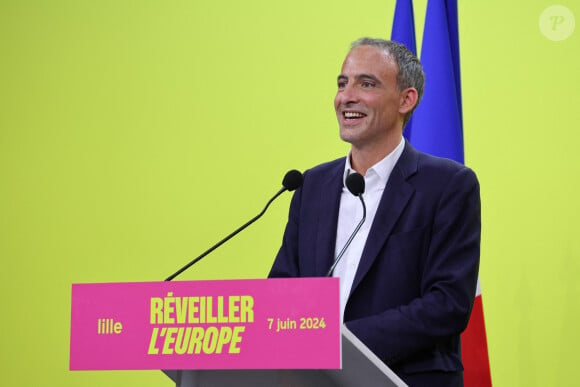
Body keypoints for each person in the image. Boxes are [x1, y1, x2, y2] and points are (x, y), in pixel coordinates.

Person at [269, 37, 481, 387]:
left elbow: (447, 304)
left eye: (366, 84)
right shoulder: (311, 186)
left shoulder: (448, 185)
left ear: (406, 99)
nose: (346, 97)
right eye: (342, 83)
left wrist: (343, 344)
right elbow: (282, 289)